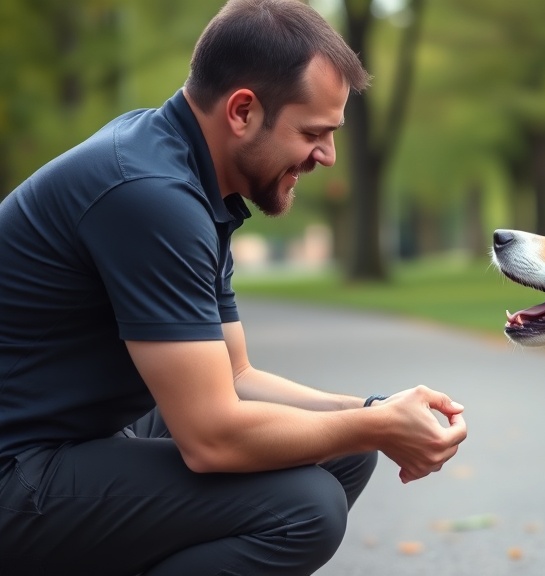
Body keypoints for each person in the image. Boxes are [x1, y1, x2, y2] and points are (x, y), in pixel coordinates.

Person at [0, 0, 468, 574]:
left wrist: (376, 412)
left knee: (346, 456)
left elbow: (237, 377)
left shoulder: (190, 176)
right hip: (17, 472)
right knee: (306, 507)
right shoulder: (149, 194)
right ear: (242, 110)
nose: (327, 155)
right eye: (313, 132)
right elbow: (212, 440)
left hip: (75, 439)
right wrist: (374, 425)